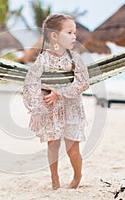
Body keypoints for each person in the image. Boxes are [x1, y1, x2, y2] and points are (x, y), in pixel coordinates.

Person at [23, 14, 90, 190]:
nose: (74, 36)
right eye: (69, 32)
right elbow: (31, 82)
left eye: (75, 32)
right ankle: (55, 179)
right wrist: (36, 109)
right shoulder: (43, 59)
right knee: (53, 145)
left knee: (72, 149)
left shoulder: (74, 58)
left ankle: (77, 176)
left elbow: (83, 83)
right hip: (50, 108)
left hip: (71, 108)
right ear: (54, 36)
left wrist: (59, 92)